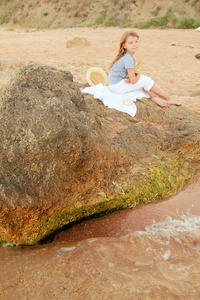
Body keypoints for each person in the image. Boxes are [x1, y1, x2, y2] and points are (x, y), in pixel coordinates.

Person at [108, 31, 181, 107]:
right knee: (145, 80)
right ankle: (168, 98)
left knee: (142, 82)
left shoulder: (126, 56)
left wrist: (133, 77)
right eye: (130, 43)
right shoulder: (128, 59)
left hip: (114, 85)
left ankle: (155, 97)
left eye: (136, 42)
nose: (134, 45)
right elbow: (133, 81)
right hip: (117, 87)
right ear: (124, 45)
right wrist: (138, 76)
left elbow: (126, 76)